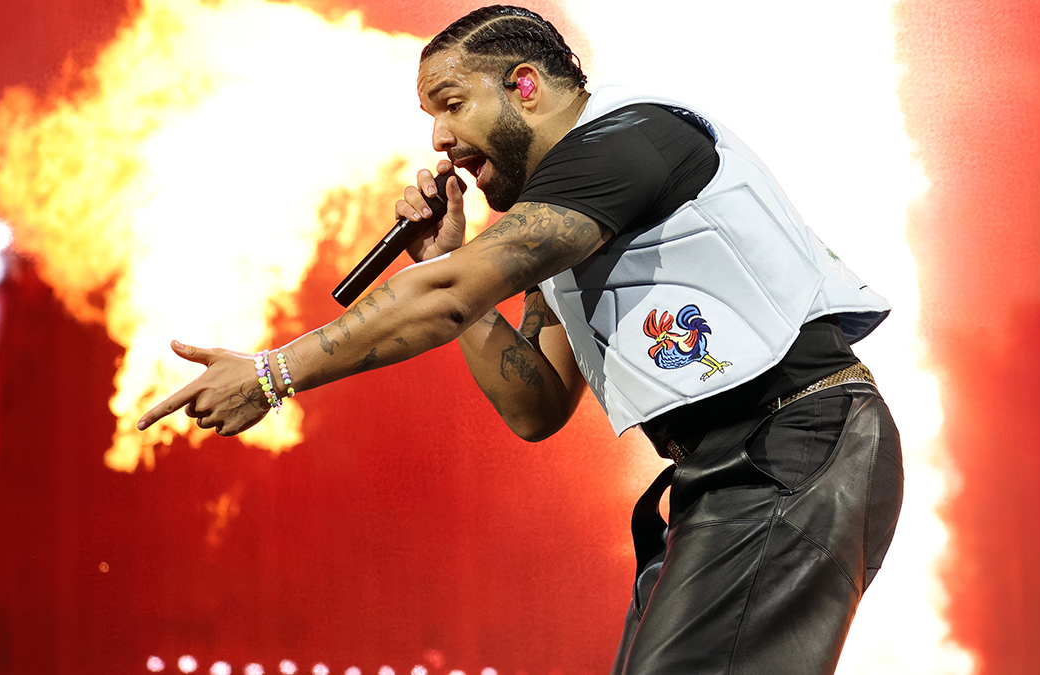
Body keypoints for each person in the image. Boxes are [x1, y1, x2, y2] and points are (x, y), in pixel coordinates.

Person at [138, 5, 904, 673]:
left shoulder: (625, 142)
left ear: (525, 86)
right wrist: (446, 258)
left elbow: (440, 300)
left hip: (796, 441)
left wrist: (274, 373)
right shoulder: (563, 220)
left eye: (451, 104)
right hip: (734, 464)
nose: (440, 140)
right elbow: (535, 403)